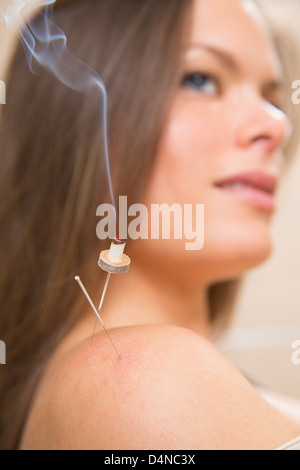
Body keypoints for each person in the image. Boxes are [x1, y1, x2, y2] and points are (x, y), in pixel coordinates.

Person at [0, 0, 299, 450]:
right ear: (75, 122)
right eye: (200, 79)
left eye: (273, 97)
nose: (277, 125)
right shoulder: (141, 379)